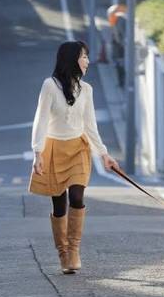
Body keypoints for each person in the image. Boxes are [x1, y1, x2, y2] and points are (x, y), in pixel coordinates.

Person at [28, 40, 119, 274]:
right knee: (59, 205)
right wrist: (37, 152)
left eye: (87, 56)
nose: (88, 61)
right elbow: (41, 120)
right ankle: (63, 253)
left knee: (77, 197)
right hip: (54, 149)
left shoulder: (86, 89)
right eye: (84, 56)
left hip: (78, 147)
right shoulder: (50, 85)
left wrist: (104, 154)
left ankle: (74, 250)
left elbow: (90, 125)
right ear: (71, 59)